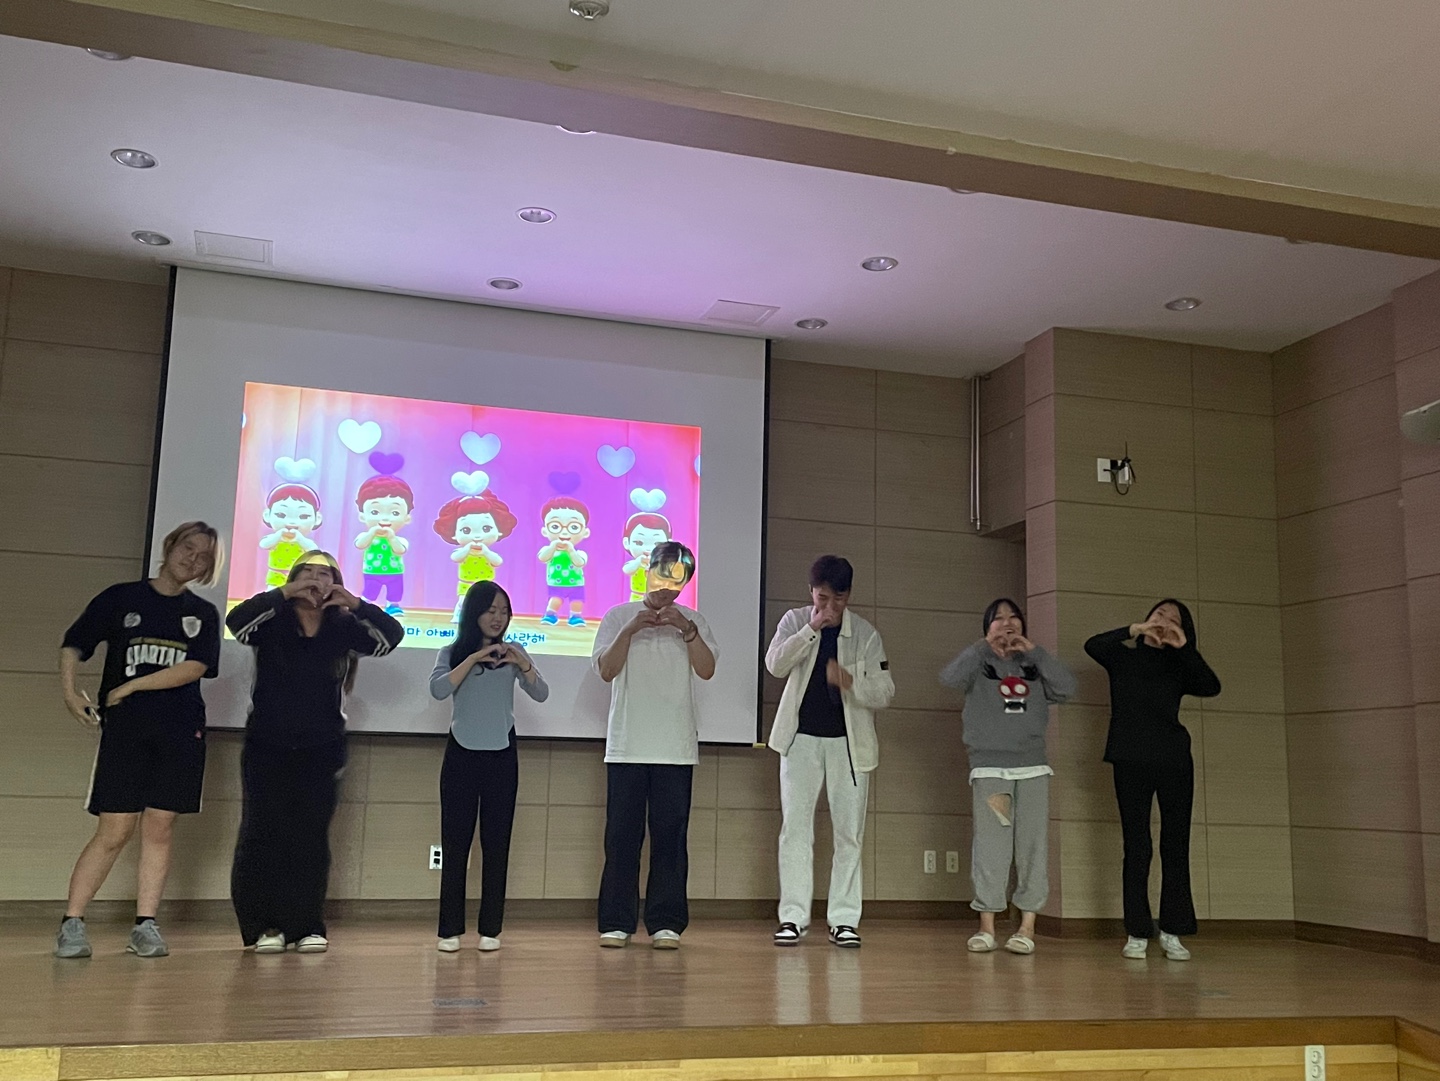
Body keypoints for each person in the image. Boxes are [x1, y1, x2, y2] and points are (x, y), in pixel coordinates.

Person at [54, 521, 224, 960]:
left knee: (160, 827)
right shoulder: (121, 597)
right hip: (126, 732)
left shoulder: (203, 613)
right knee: (114, 829)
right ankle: (72, 922)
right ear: (170, 546)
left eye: (204, 557)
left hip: (181, 732)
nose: (193, 559)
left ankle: (145, 925)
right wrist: (71, 693)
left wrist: (132, 686)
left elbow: (194, 668)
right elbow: (74, 643)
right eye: (188, 548)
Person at [226, 551, 403, 953]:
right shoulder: (271, 619)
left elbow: (390, 637)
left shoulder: (345, 626)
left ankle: (305, 924)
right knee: (262, 832)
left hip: (322, 746)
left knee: (309, 837)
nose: (315, 580)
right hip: (267, 744)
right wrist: (284, 593)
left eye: (325, 575)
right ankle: (264, 927)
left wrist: (356, 604)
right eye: (307, 572)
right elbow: (237, 622)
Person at [592, 541, 717, 949]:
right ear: (648, 570)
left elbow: (707, 670)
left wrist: (687, 630)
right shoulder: (618, 616)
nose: (667, 585)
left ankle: (666, 923)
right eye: (662, 573)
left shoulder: (693, 620)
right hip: (627, 744)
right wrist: (631, 629)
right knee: (621, 839)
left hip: (675, 747)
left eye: (677, 579)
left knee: (671, 840)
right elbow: (606, 670)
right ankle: (617, 922)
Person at [765, 555, 894, 949]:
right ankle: (793, 917)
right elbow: (775, 665)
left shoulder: (865, 634)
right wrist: (811, 629)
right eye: (822, 598)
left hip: (849, 746)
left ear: (848, 595)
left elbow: (885, 691)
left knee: (849, 834)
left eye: (838, 599)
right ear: (812, 592)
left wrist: (851, 681)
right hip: (800, 740)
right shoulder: (794, 621)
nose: (830, 607)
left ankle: (844, 920)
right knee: (795, 831)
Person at [1084, 599, 1220, 961]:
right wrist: (1134, 630)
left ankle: (1173, 930)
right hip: (1129, 757)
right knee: (1137, 845)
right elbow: (1093, 645)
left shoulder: (1180, 665)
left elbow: (1211, 686)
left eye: (1174, 619)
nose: (1164, 621)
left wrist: (1183, 647)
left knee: (1175, 844)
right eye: (1159, 614)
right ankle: (1137, 931)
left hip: (1174, 759)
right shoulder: (1122, 657)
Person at [939, 599, 1075, 955]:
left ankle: (1027, 927)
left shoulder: (1034, 662)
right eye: (997, 619)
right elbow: (950, 677)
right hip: (989, 768)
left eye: (1013, 617)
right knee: (991, 847)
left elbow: (1066, 688)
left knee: (1032, 846)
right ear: (987, 627)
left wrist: (1035, 652)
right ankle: (987, 925)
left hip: (1033, 768)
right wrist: (984, 646)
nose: (1007, 623)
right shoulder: (978, 661)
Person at [430, 581, 547, 952]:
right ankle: (450, 930)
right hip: (461, 754)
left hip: (501, 754)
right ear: (474, 612)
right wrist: (473, 658)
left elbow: (541, 693)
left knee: (497, 844)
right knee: (455, 844)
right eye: (491, 610)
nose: (498, 618)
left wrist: (522, 663)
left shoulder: (514, 653)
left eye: (504, 611)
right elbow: (438, 689)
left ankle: (490, 930)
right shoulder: (452, 652)